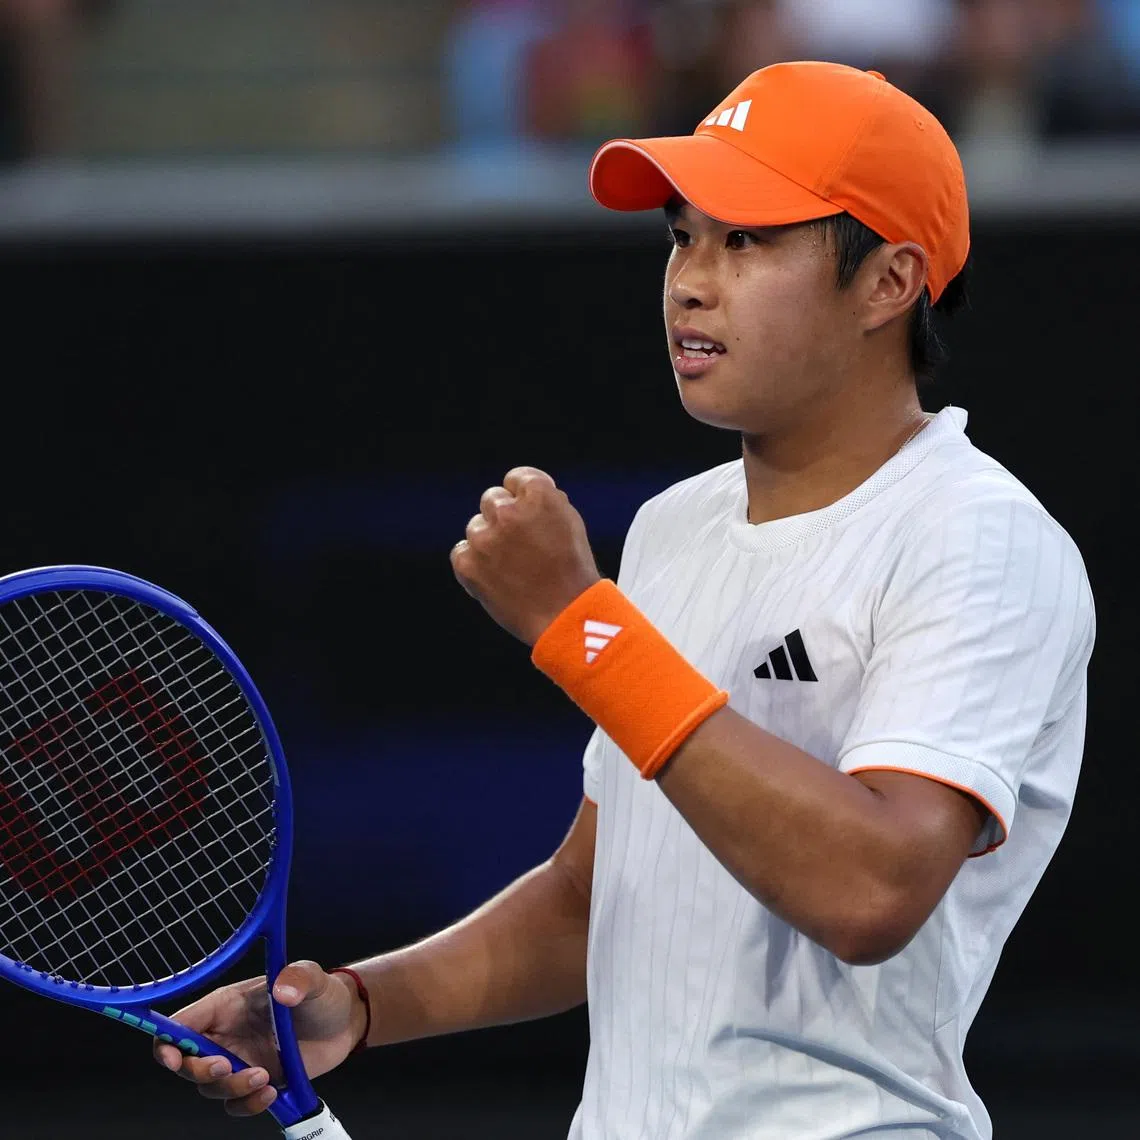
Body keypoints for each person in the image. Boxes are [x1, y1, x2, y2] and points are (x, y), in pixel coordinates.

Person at [155, 61, 1095, 1140]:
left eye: (745, 240)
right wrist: (361, 1008)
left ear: (890, 281)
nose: (691, 280)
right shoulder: (670, 529)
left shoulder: (981, 537)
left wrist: (580, 627)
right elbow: (592, 901)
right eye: (681, 236)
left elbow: (871, 893)